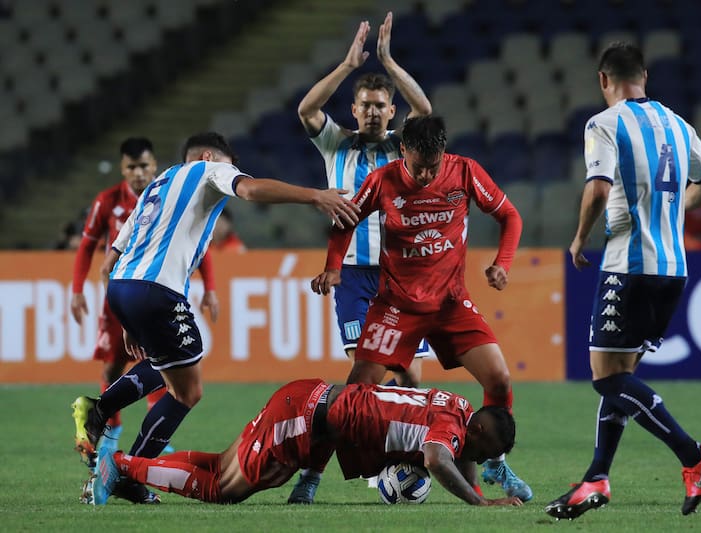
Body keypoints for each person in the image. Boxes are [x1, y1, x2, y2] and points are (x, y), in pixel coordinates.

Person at [71, 132, 359, 504]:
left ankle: (105, 419)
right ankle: (126, 464)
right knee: (187, 390)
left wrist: (130, 319)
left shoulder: (159, 183)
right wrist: (316, 196)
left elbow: (111, 260)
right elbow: (252, 191)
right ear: (208, 156)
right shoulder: (207, 169)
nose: (230, 174)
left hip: (123, 287)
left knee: (175, 364)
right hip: (156, 290)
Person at [544, 42, 701, 521]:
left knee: (607, 379)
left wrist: (580, 238)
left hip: (629, 265)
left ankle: (693, 455)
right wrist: (670, 211)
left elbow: (599, 187)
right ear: (644, 75)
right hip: (673, 269)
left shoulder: (603, 122)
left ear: (604, 80)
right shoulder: (677, 124)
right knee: (623, 378)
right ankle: (596, 476)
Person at [311, 115, 533, 503]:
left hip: (450, 302)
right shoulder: (383, 180)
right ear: (402, 152)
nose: (428, 174)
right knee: (354, 395)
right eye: (419, 166)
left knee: (499, 380)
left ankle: (493, 463)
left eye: (434, 164)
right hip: (397, 304)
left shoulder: (464, 171)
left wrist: (504, 263)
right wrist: (332, 267)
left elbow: (509, 215)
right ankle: (313, 475)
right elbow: (345, 222)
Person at [289, 11, 433, 503]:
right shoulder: (336, 145)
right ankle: (320, 472)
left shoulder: (403, 147)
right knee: (364, 381)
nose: (372, 113)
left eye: (380, 106)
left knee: (412, 376)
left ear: (391, 112)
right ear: (353, 109)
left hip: (402, 277)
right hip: (353, 277)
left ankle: (402, 458)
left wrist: (389, 63)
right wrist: (349, 63)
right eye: (365, 105)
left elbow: (426, 111)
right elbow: (307, 109)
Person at [85, 379, 523, 507]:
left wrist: (481, 491)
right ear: (478, 431)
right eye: (482, 453)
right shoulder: (450, 427)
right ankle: (120, 465)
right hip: (304, 415)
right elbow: (438, 458)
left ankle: (127, 465)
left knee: (223, 464)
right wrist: (479, 504)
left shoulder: (461, 408)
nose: (475, 460)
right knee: (226, 488)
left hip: (309, 402)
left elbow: (458, 453)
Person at [70, 138, 219, 464]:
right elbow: (94, 250)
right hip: (136, 293)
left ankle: (117, 427)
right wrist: (78, 289)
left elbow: (197, 245)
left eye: (144, 166)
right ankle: (112, 436)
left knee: (163, 363)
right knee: (122, 367)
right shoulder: (111, 200)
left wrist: (210, 286)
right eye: (131, 167)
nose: (139, 173)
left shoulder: (165, 190)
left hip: (134, 293)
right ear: (123, 170)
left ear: (155, 166)